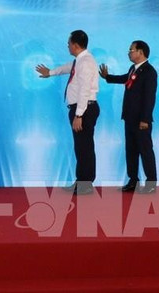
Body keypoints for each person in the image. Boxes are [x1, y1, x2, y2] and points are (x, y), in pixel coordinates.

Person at [35, 30, 100, 195]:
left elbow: (85, 90)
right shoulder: (79, 61)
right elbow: (67, 68)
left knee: (84, 147)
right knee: (81, 147)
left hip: (84, 109)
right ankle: (81, 180)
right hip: (81, 108)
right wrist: (50, 72)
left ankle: (86, 184)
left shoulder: (85, 62)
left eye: (69, 43)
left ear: (76, 45)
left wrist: (79, 115)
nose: (68, 45)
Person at [99, 40, 158, 193]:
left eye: (131, 50)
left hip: (141, 120)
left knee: (145, 150)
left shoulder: (150, 71)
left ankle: (151, 182)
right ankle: (133, 180)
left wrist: (145, 119)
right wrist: (108, 77)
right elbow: (125, 78)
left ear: (141, 52)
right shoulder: (134, 68)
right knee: (131, 150)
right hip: (129, 117)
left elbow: (149, 97)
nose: (129, 52)